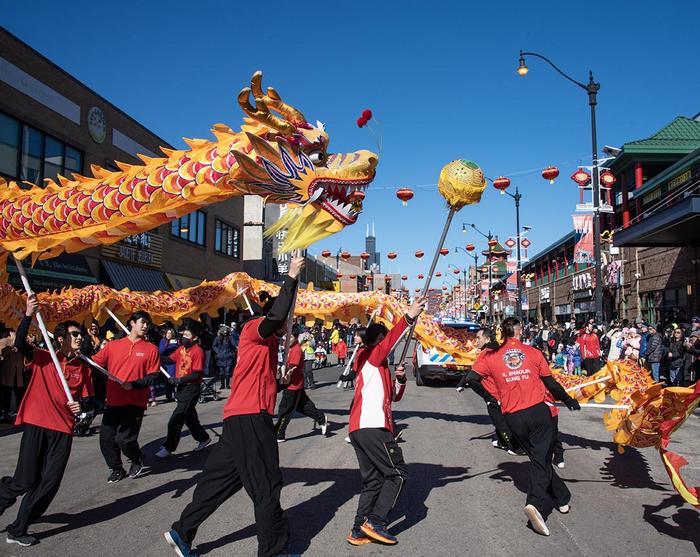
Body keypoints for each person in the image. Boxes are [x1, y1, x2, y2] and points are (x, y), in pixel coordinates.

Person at [165, 254, 305, 557]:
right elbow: (279, 315)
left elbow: (259, 381)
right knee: (267, 484)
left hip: (239, 419)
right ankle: (273, 550)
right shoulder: (254, 329)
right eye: (282, 324)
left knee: (219, 483)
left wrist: (281, 380)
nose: (286, 329)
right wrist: (291, 276)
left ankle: (181, 532)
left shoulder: (267, 346)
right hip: (250, 418)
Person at [466, 317, 580, 537]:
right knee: (540, 459)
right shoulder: (534, 352)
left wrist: (491, 398)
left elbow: (471, 378)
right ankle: (534, 503)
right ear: (518, 332)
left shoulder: (490, 356)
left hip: (513, 418)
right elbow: (551, 383)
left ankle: (563, 498)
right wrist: (567, 400)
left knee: (540, 458)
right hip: (538, 412)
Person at [0, 294, 92, 546]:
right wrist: (28, 314)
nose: (79, 337)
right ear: (60, 339)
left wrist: (79, 407)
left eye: (80, 334)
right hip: (38, 424)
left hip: (63, 429)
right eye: (74, 334)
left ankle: (18, 528)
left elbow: (86, 402)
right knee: (24, 480)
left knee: (48, 483)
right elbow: (19, 344)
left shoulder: (83, 366)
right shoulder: (43, 356)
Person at [345, 296, 426, 547]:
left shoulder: (376, 367)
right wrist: (409, 317)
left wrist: (400, 379)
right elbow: (389, 342)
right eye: (384, 341)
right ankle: (376, 521)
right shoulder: (371, 357)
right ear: (379, 341)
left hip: (363, 428)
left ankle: (358, 529)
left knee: (373, 481)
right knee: (398, 474)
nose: (388, 346)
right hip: (372, 426)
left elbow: (393, 398)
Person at [92, 311, 161, 483]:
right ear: (131, 323)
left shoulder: (151, 349)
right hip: (113, 401)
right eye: (142, 322)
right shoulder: (113, 346)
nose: (145, 326)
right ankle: (116, 469)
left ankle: (137, 458)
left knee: (124, 439)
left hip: (135, 402)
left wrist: (134, 384)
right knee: (106, 439)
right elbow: (94, 363)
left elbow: (153, 376)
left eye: (148, 323)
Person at [457, 327, 518, 453]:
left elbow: (472, 377)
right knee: (503, 419)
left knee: (500, 421)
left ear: (488, 339)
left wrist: (487, 396)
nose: (476, 341)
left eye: (479, 338)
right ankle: (502, 442)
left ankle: (515, 446)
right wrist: (462, 383)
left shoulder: (486, 353)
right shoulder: (501, 351)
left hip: (495, 395)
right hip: (508, 392)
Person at [156, 325, 211, 458]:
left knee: (176, 418)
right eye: (183, 335)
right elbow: (169, 359)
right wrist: (155, 355)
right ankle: (203, 438)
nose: (183, 337)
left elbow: (196, 374)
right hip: (181, 389)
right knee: (190, 418)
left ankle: (169, 447)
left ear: (195, 338)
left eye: (187, 335)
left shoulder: (198, 351)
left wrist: (179, 380)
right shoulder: (181, 349)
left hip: (191, 388)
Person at [274, 330, 328, 442]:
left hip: (293, 384)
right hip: (289, 383)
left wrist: (282, 373)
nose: (287, 339)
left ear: (296, 337)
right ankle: (321, 418)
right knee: (303, 406)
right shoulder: (286, 345)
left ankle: (279, 433)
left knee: (285, 409)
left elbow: (292, 367)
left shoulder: (297, 349)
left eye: (290, 337)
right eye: (286, 336)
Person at [212, 324, 237, 390]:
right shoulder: (217, 338)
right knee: (221, 372)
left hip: (228, 356)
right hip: (220, 357)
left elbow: (234, 344)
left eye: (226, 332)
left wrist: (236, 347)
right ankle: (222, 384)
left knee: (228, 372)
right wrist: (218, 352)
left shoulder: (230, 337)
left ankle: (227, 384)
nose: (225, 334)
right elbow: (214, 346)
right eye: (224, 332)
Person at [159, 327, 178, 403]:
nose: (168, 335)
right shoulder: (163, 341)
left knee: (174, 379)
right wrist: (167, 344)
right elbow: (160, 351)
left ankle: (176, 395)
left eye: (170, 333)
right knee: (167, 380)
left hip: (173, 362)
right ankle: (169, 396)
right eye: (167, 333)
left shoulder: (176, 341)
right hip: (166, 362)